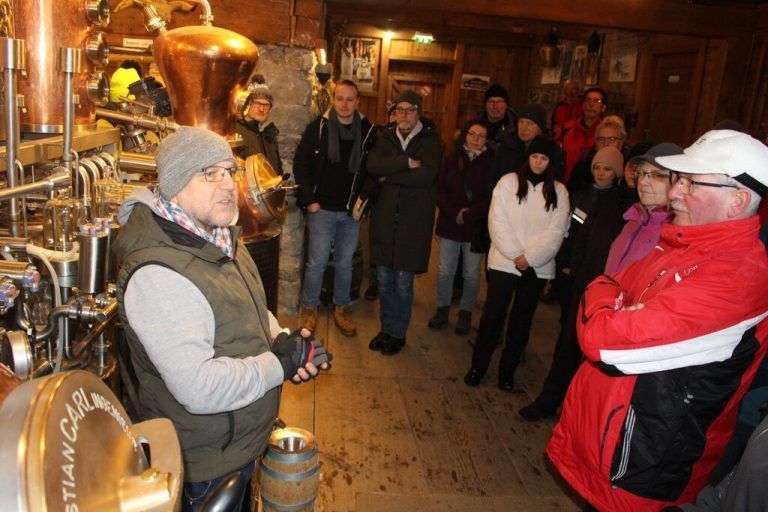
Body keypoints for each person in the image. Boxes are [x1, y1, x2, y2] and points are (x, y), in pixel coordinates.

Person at [547, 129, 768, 511]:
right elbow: (608, 280)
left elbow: (603, 340)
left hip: (642, 465)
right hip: (609, 441)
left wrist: (616, 307)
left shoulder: (738, 276)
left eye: (690, 183)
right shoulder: (681, 244)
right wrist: (615, 301)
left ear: (738, 199)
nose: (674, 192)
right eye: (678, 180)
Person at [113, 126, 331, 512]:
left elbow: (246, 306)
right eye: (208, 173)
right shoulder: (159, 273)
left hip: (238, 439)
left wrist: (280, 338)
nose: (228, 184)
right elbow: (199, 388)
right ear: (176, 185)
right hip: (206, 462)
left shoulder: (218, 236)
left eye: (229, 171)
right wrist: (277, 365)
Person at [519, 146, 627, 421]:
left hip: (597, 280)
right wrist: (566, 263)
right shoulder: (579, 196)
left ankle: (571, 401)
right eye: (598, 168)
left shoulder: (621, 204)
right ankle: (552, 397)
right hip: (571, 275)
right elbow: (569, 233)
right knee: (567, 335)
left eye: (607, 169)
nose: (602, 174)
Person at [464, 135, 569, 389]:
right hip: (504, 262)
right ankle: (478, 366)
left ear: (550, 162)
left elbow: (557, 231)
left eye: (543, 158)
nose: (538, 162)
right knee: (492, 317)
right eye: (534, 156)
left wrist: (530, 258)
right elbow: (497, 221)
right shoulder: (508, 182)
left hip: (537, 267)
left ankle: (507, 372)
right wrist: (515, 255)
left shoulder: (559, 191)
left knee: (522, 321)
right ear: (527, 157)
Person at [293, 80, 377, 337]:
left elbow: (374, 170)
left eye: (350, 99)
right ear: (333, 98)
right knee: (316, 263)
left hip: (351, 211)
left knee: (344, 263)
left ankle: (342, 308)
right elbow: (301, 163)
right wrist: (309, 199)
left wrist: (363, 200)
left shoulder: (368, 131)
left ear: (358, 102)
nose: (344, 104)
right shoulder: (318, 128)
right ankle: (309, 308)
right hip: (323, 209)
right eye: (340, 98)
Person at [366, 89, 442, 356]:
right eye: (400, 110)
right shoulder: (386, 136)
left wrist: (391, 175)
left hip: (413, 223)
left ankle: (398, 334)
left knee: (402, 282)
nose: (404, 115)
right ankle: (385, 329)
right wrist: (405, 163)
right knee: (384, 279)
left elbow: (427, 176)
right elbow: (373, 165)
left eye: (410, 110)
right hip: (386, 220)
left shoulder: (430, 141)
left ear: (418, 112)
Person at [428, 118, 494, 335]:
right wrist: (454, 212)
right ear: (465, 135)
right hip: (450, 222)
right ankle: (442, 308)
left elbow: (492, 196)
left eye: (480, 136)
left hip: (474, 226)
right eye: (472, 134)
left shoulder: (491, 162)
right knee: (445, 270)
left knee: (472, 273)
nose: (475, 139)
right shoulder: (452, 158)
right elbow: (440, 189)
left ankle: (465, 312)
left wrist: (469, 215)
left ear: (486, 139)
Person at [604, 143, 682, 275]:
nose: (643, 181)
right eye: (641, 173)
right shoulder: (633, 220)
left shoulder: (676, 236)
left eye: (657, 175)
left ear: (679, 182)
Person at [487, 103, 565, 193]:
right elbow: (492, 180)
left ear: (540, 128)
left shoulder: (552, 152)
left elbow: (555, 186)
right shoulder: (505, 147)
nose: (524, 128)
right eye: (521, 122)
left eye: (530, 123)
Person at [235, 74, 283, 174]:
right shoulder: (236, 131)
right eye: (257, 103)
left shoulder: (269, 132)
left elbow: (277, 168)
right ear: (247, 104)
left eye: (266, 105)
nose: (262, 109)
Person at [568, 115, 629, 193]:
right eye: (601, 139)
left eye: (612, 139)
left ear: (621, 143)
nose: (606, 144)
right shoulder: (581, 170)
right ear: (596, 144)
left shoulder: (628, 171)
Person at [561, 86, 606, 185]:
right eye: (588, 100)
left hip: (594, 186)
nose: (591, 104)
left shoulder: (606, 133)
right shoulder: (568, 129)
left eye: (597, 101)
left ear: (603, 107)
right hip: (568, 186)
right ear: (583, 105)